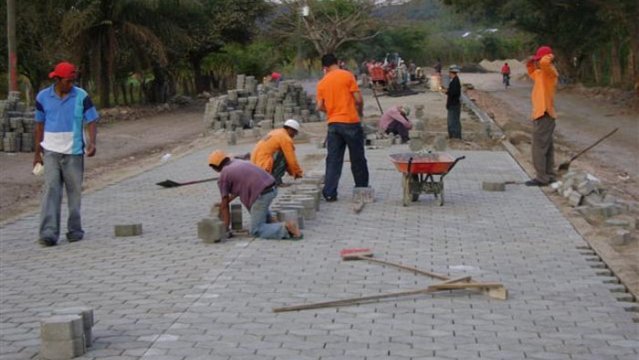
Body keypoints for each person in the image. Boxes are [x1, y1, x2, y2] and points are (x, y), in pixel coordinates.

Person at [33, 61, 99, 247]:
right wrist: (37, 154)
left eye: (73, 81)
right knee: (51, 190)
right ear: (58, 79)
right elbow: (39, 126)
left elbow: (92, 120)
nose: (71, 85)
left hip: (74, 152)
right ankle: (48, 233)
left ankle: (74, 230)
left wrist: (92, 142)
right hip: (51, 152)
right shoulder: (43, 97)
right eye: (68, 81)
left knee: (74, 192)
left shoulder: (81, 96)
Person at [208, 150, 302, 239]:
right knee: (263, 218)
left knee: (256, 230)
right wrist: (225, 202)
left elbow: (225, 206)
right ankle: (273, 222)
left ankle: (285, 228)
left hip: (261, 195)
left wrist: (225, 229)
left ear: (214, 167)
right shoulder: (237, 162)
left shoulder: (224, 175)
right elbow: (236, 192)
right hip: (271, 188)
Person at [316, 53, 369, 202]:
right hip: (350, 122)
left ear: (324, 67)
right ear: (337, 62)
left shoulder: (322, 83)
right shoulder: (347, 75)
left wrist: (332, 112)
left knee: (333, 159)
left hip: (333, 125)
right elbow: (358, 99)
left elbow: (319, 106)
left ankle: (330, 193)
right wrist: (360, 112)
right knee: (357, 158)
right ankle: (362, 189)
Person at [525, 46, 559, 187]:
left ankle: (541, 178)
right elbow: (531, 71)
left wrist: (548, 56)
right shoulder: (540, 74)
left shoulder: (550, 73)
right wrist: (531, 61)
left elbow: (545, 63)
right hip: (540, 115)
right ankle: (549, 174)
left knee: (538, 147)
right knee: (548, 147)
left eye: (539, 60)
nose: (538, 62)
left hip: (544, 114)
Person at [251, 119, 303, 185]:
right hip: (264, 166)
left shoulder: (276, 132)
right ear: (290, 129)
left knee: (282, 154)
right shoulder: (285, 138)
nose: (294, 135)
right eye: (295, 133)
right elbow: (291, 159)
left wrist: (292, 172)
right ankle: (276, 181)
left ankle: (272, 178)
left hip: (256, 165)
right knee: (284, 155)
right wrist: (297, 173)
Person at [445, 65, 462, 139]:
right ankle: (452, 135)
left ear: (452, 73)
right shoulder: (454, 81)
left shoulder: (455, 81)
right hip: (452, 104)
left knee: (453, 121)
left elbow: (454, 93)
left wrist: (447, 92)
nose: (449, 75)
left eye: (449, 73)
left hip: (454, 105)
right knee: (452, 121)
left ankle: (455, 136)